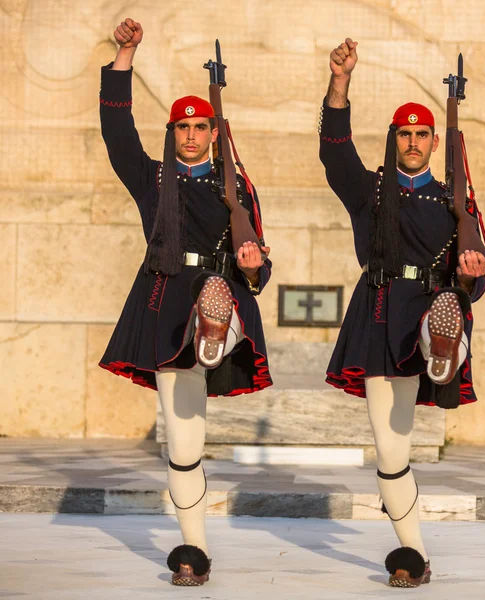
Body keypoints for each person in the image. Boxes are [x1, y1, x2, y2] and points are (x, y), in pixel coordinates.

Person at [99, 18, 273, 586]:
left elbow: (261, 264)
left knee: (220, 291)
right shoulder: (153, 180)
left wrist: (251, 267)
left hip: (218, 295)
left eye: (201, 127)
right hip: (168, 302)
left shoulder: (239, 189)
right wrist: (124, 58)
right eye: (183, 127)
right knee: (182, 437)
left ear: (214, 134)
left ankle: (217, 323)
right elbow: (117, 131)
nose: (192, 135)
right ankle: (193, 548)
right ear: (173, 132)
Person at [320, 38, 485, 588]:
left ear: (434, 141)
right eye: (404, 135)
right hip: (378, 313)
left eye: (421, 135)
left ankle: (446, 346)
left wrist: (469, 273)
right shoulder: (369, 190)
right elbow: (333, 148)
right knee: (390, 448)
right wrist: (340, 84)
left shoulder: (453, 203)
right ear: (393, 140)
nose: (413, 143)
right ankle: (412, 553)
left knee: (401, 434)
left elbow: (477, 281)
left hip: (429, 319)